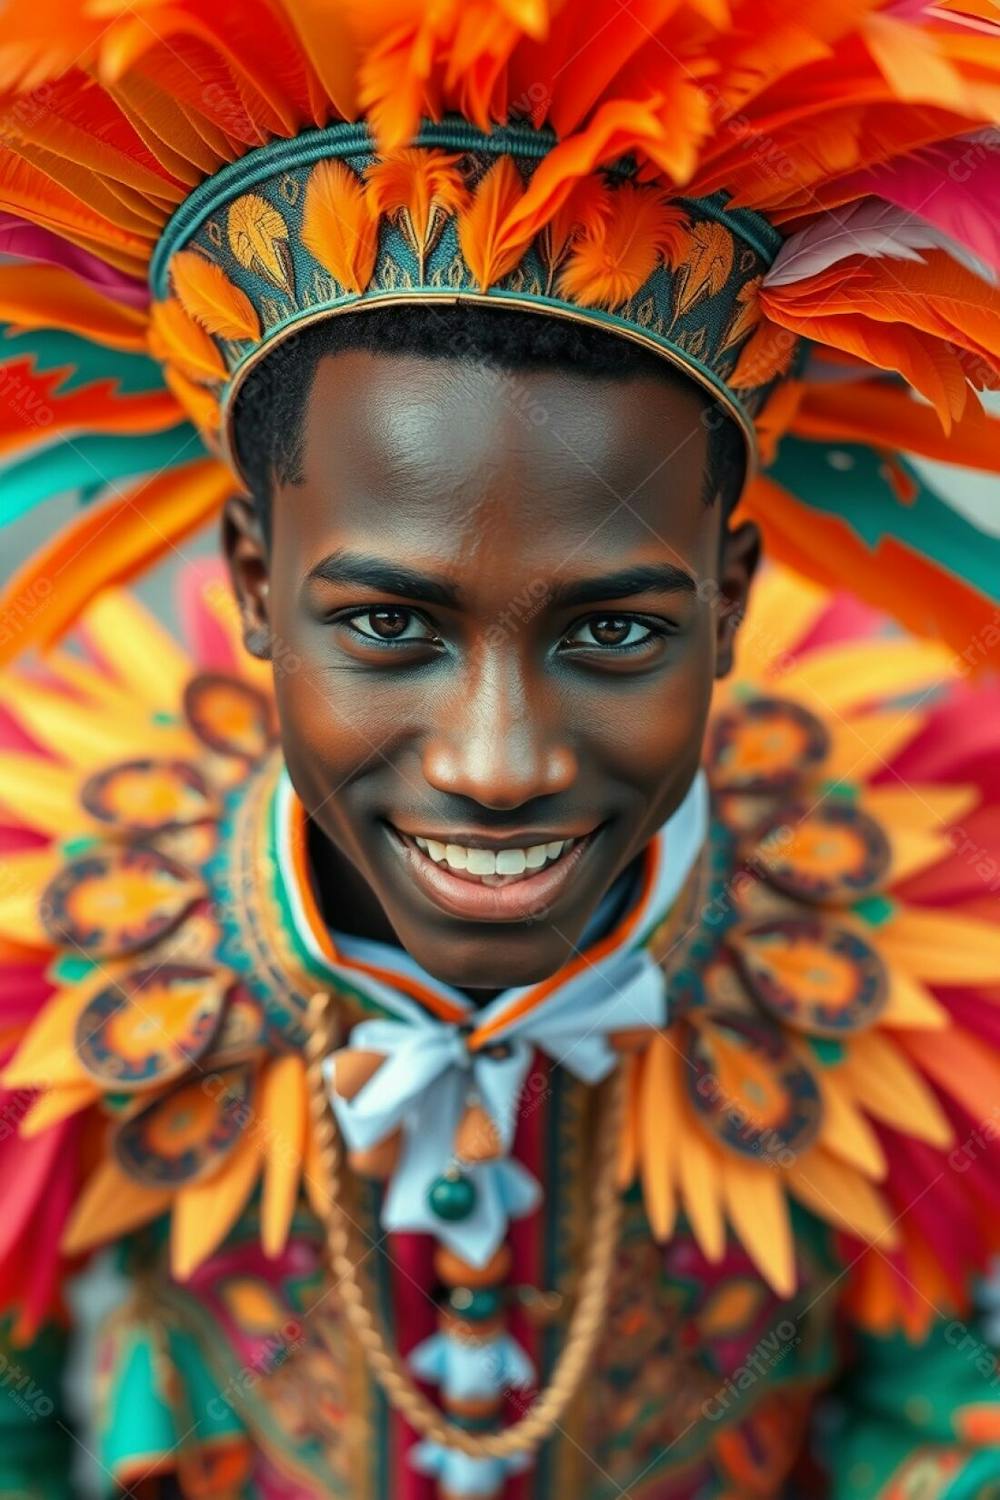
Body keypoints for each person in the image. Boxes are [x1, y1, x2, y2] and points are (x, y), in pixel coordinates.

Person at [0, 2, 999, 1496]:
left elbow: (944, 1417)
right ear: (254, 580)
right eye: (393, 628)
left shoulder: (932, 908)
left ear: (730, 597)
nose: (497, 761)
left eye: (610, 635)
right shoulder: (42, 911)